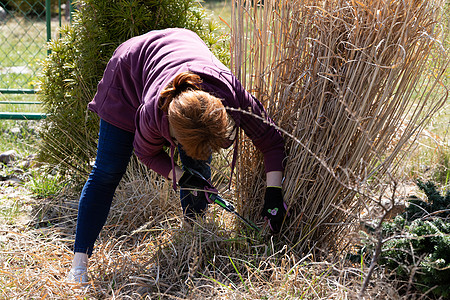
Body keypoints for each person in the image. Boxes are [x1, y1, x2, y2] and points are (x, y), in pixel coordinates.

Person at [67, 28, 287, 284]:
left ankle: (194, 239)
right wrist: (182, 177)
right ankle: (78, 265)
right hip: (127, 72)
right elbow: (145, 153)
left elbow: (271, 141)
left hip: (182, 49)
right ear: (170, 131)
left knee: (197, 163)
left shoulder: (233, 95)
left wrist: (274, 193)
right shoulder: (153, 113)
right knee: (107, 171)